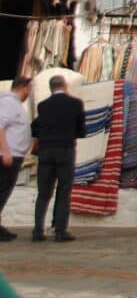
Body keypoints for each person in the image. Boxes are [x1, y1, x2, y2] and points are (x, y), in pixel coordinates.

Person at [31, 75, 84, 242]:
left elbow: (34, 128)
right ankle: (60, 231)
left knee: (44, 193)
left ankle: (38, 230)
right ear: (65, 86)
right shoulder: (75, 104)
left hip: (46, 152)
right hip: (65, 150)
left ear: (50, 88)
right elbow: (81, 130)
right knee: (63, 191)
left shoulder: (43, 106)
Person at [0, 77, 33, 242]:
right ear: (24, 88)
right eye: (30, 89)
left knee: (4, 191)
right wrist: (5, 151)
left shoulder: (14, 104)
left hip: (13, 154)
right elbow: (0, 127)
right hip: (8, 155)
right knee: (2, 190)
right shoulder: (8, 103)